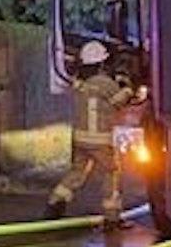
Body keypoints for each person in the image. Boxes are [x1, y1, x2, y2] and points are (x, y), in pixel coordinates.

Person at [44, 40, 145, 226]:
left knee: (77, 172)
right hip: (100, 140)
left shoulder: (79, 84)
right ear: (101, 63)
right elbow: (119, 101)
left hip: (79, 139)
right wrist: (128, 87)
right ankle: (112, 217)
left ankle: (54, 204)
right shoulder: (105, 83)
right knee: (111, 173)